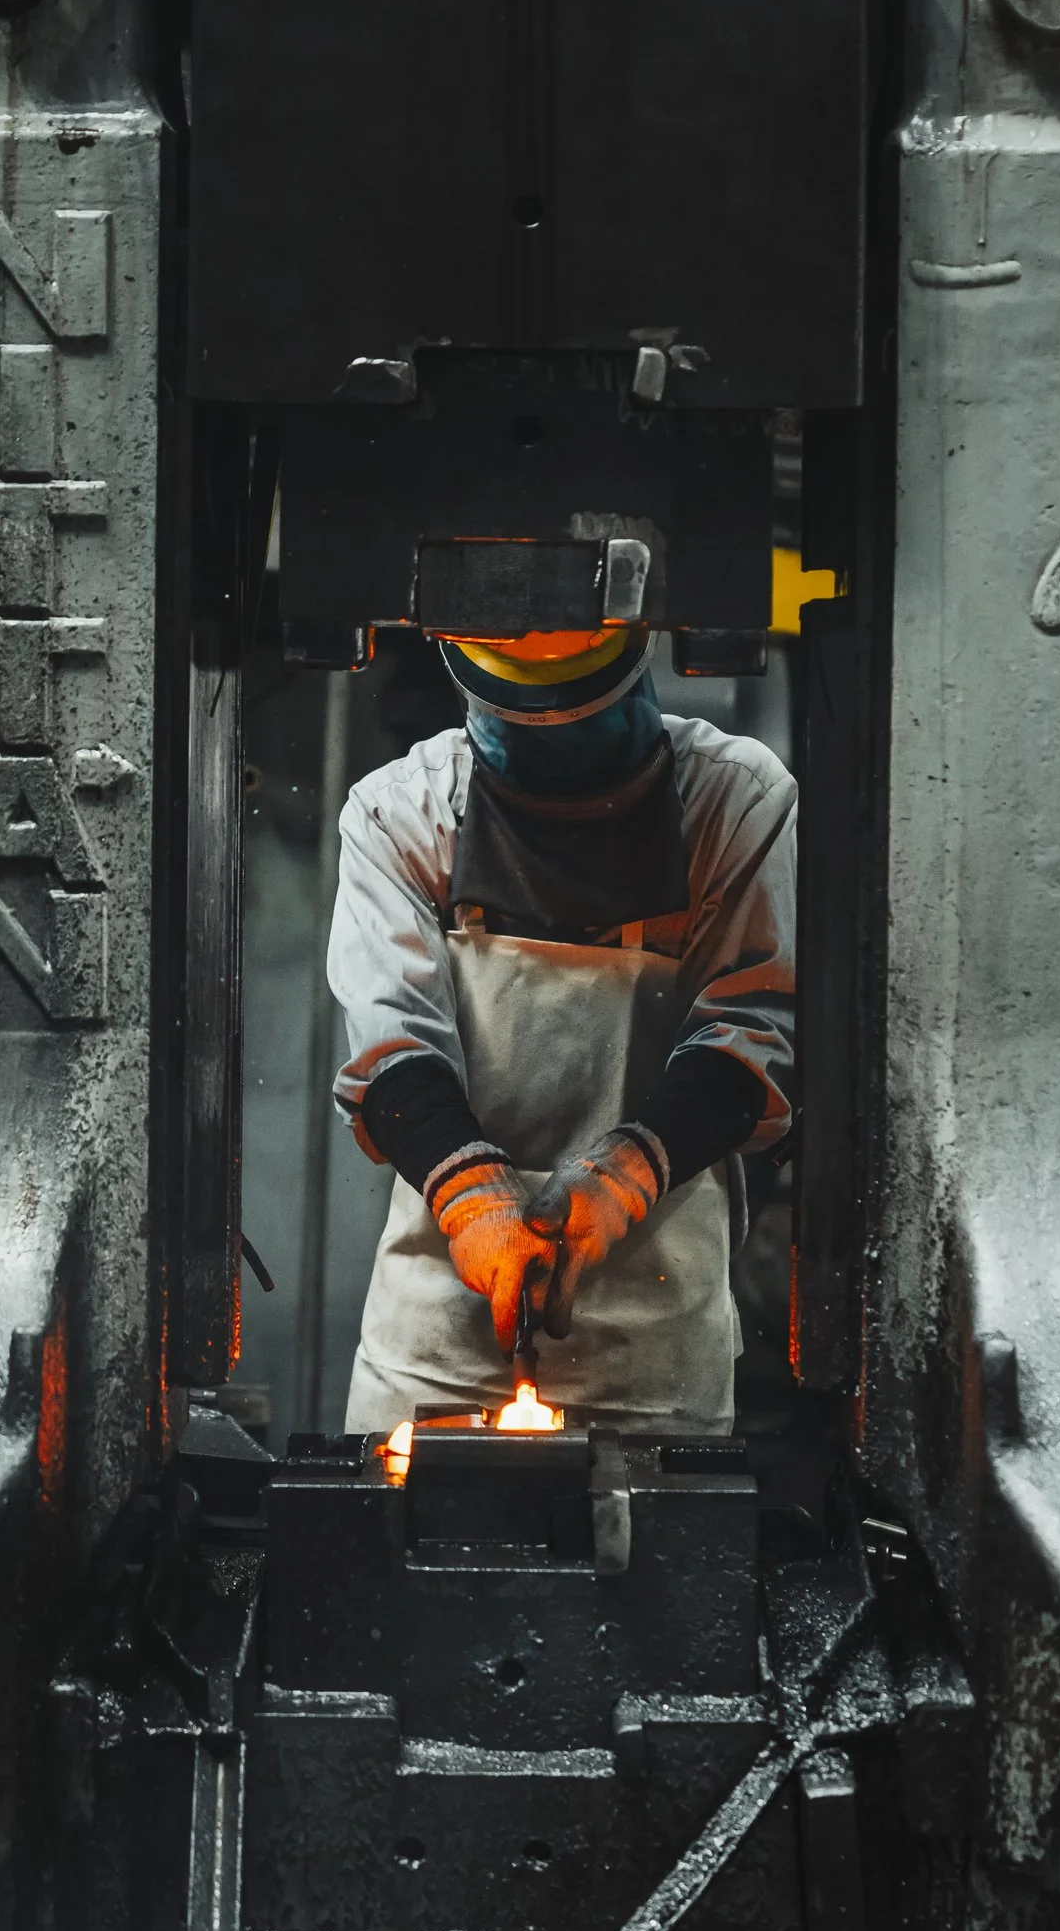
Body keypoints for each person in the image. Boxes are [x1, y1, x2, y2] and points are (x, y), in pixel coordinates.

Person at [330, 613, 796, 1430]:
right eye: (526, 725)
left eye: (576, 722)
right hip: (438, 1347)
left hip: (651, 1351)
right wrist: (471, 1196)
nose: (554, 757)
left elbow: (749, 1037)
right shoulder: (401, 812)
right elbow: (394, 1050)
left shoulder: (736, 800)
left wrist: (625, 1176)